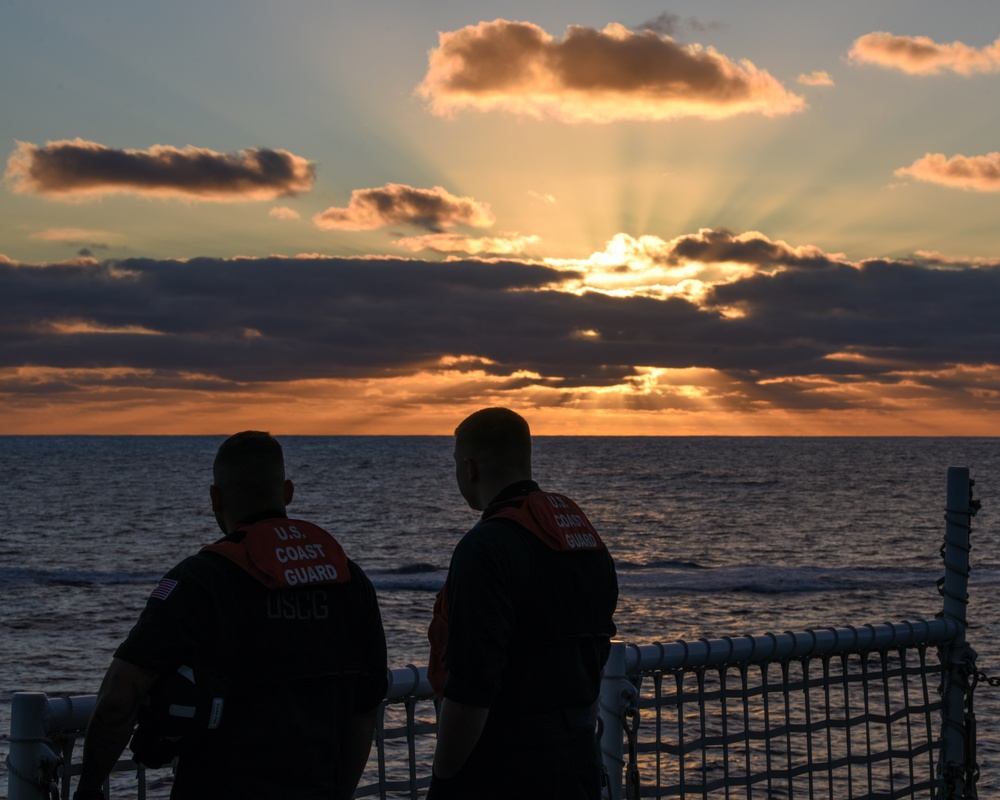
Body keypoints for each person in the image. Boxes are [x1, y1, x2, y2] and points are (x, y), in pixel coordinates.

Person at [73, 431, 387, 800]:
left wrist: (89, 789)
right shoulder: (349, 580)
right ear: (287, 492)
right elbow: (364, 710)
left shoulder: (200, 579)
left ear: (215, 498)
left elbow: (119, 696)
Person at [427, 408, 619, 799]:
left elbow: (472, 686)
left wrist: (443, 780)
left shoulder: (485, 548)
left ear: (469, 468)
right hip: (578, 764)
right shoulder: (584, 540)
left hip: (503, 770)